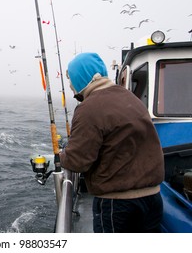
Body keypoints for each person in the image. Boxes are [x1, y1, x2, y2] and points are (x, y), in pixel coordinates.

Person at [59, 52, 165, 233]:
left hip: (118, 204)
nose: (71, 87)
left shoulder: (89, 108)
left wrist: (60, 157)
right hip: (153, 198)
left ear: (81, 78)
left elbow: (77, 161)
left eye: (72, 81)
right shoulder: (130, 98)